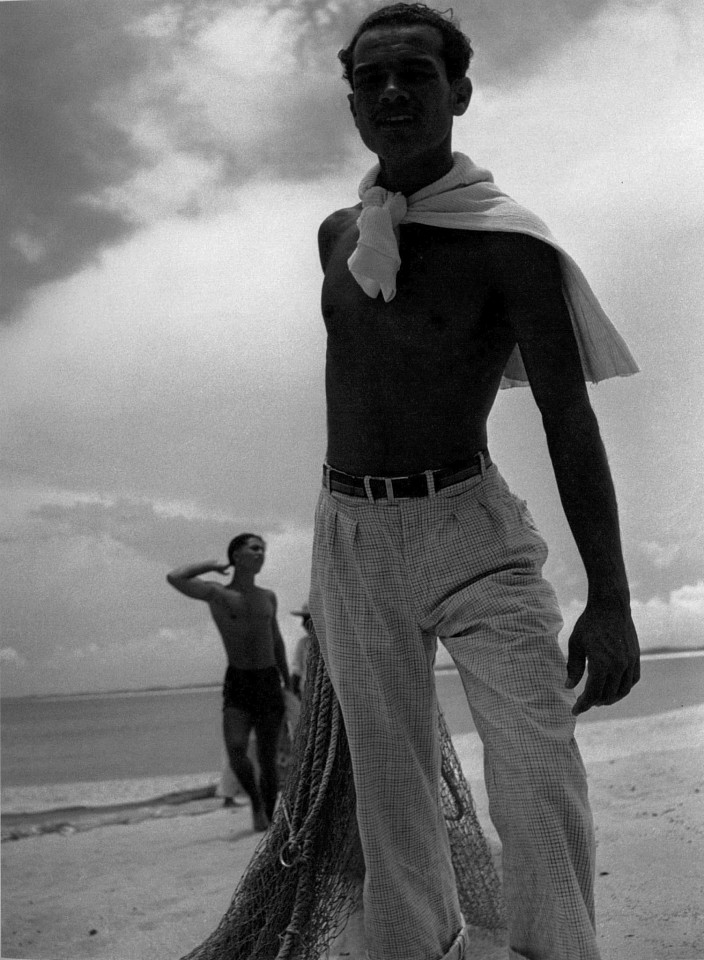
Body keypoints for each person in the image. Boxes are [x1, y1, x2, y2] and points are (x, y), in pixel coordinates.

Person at [308, 5, 641, 960]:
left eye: (416, 73)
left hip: (471, 526)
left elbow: (567, 418)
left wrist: (611, 598)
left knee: (538, 769)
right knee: (391, 786)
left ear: (459, 91)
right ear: (354, 102)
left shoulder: (510, 245)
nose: (394, 92)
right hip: (349, 530)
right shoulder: (337, 234)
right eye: (372, 79)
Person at [167, 533, 291, 832]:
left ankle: (266, 817)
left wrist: (288, 683)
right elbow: (175, 577)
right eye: (254, 548)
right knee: (236, 749)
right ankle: (256, 802)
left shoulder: (268, 597)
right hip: (238, 680)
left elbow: (276, 640)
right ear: (237, 555)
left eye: (264, 549)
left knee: (267, 755)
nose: (261, 553)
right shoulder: (218, 594)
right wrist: (210, 566)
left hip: (267, 680)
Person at [289, 601, 313, 698]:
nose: (302, 624)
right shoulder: (303, 643)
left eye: (306, 620)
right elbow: (297, 671)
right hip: (307, 695)